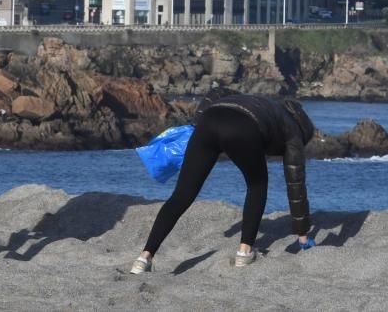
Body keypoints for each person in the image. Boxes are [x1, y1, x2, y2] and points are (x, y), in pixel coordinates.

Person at [130, 94, 316, 273]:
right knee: (257, 185)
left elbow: (215, 93)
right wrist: (302, 236)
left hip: (208, 121)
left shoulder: (265, 102)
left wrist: (197, 122)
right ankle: (244, 252)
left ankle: (144, 258)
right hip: (242, 127)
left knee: (182, 195)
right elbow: (295, 184)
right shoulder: (294, 133)